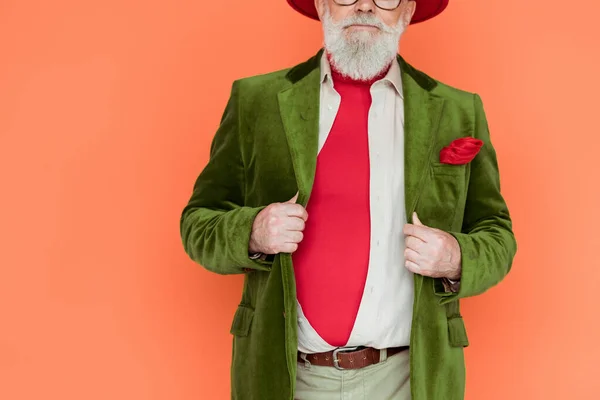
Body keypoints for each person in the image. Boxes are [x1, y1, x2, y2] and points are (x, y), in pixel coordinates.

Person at [179, 0, 517, 398]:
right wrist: (252, 232)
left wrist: (456, 257)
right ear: (322, 5)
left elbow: (498, 236)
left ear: (406, 11)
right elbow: (197, 223)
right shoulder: (257, 101)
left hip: (410, 378)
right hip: (290, 376)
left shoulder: (460, 110)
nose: (366, 8)